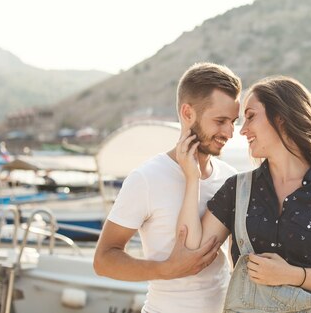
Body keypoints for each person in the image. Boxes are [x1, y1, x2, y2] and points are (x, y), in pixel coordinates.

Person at [177, 75, 311, 312]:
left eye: (250, 117)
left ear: (281, 118)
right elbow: (193, 248)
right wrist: (192, 178)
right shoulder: (237, 189)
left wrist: (290, 275)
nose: (242, 130)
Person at [93, 62, 242, 313]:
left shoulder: (230, 178)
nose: (229, 132)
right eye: (220, 121)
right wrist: (167, 269)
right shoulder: (147, 178)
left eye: (233, 121)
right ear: (188, 113)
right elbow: (104, 260)